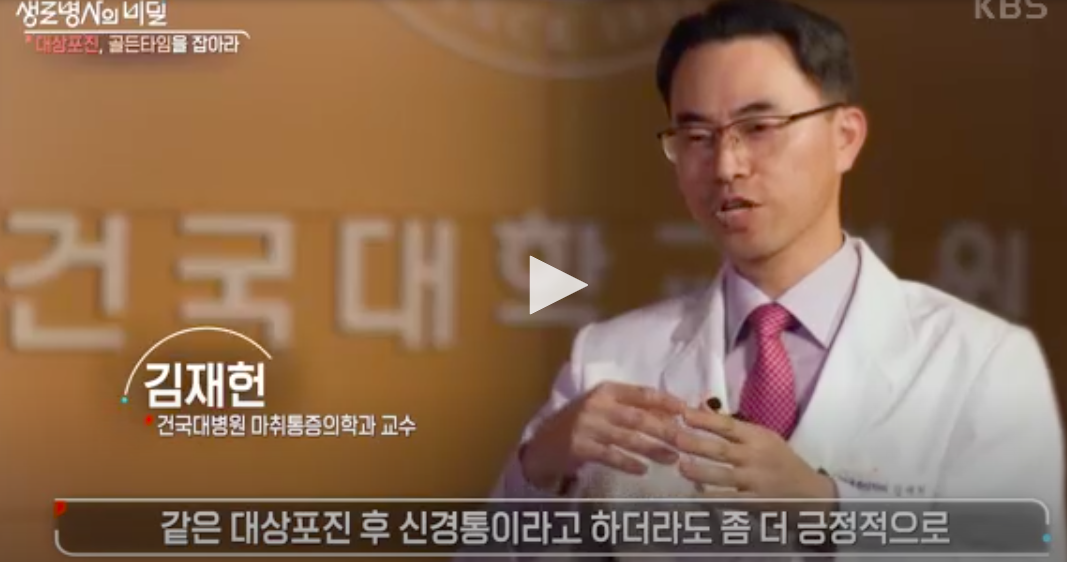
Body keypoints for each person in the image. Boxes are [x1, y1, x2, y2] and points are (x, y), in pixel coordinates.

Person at [489, 0, 1064, 558]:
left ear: (845, 137)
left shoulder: (984, 361)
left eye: (759, 126)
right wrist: (536, 468)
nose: (726, 165)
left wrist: (828, 509)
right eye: (697, 136)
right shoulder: (608, 359)